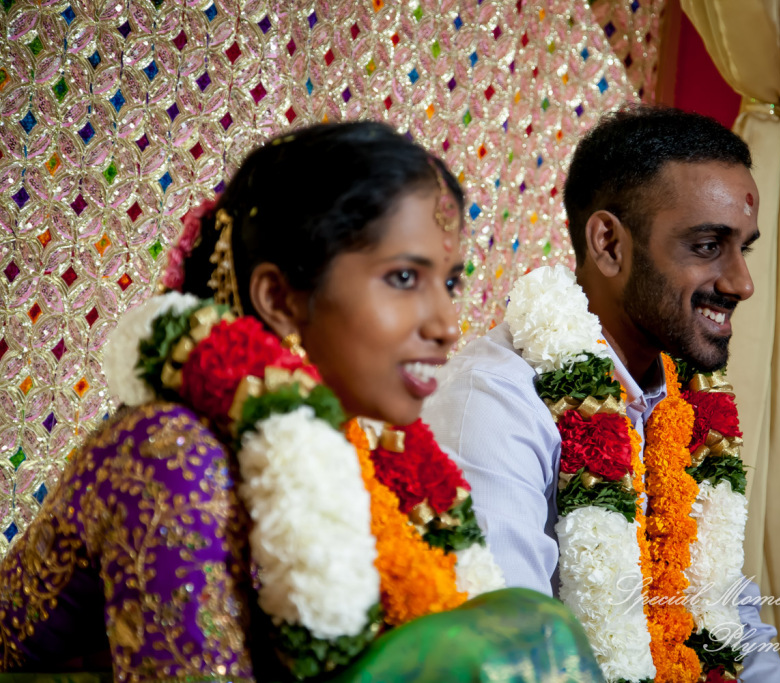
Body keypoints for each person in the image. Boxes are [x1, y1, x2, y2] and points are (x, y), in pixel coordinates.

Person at [0, 123, 601, 681]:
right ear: (280, 299)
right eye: (403, 278)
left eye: (448, 283)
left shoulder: (371, 452)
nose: (447, 324)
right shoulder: (175, 455)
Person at [423, 107, 780, 681]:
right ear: (609, 244)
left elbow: (733, 619)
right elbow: (512, 657)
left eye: (743, 248)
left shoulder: (684, 400)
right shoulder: (496, 402)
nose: (741, 283)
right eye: (706, 245)